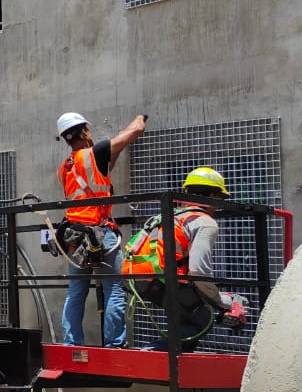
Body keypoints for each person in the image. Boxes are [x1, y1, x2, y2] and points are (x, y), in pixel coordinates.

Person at [122, 166, 248, 350]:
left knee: (188, 313)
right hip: (162, 278)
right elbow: (199, 271)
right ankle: (148, 354)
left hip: (135, 276)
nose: (218, 206)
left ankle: (162, 360)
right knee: (203, 319)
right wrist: (221, 302)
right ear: (212, 196)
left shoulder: (167, 216)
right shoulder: (204, 221)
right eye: (220, 199)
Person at [55, 111, 147, 347]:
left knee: (76, 292)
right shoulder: (94, 153)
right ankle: (114, 344)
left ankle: (72, 343)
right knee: (114, 290)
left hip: (75, 236)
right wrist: (139, 117)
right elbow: (135, 132)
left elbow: (108, 161)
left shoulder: (65, 167)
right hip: (100, 233)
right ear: (85, 131)